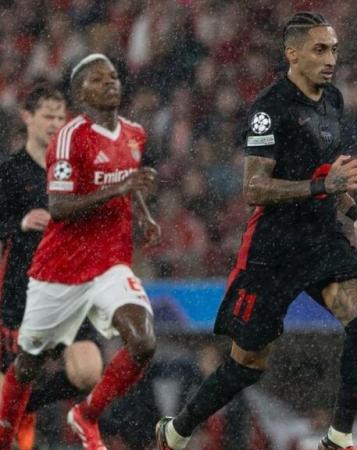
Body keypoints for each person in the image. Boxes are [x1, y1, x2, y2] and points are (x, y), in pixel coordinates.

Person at [156, 11, 357, 450]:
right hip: (272, 247)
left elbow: (330, 173)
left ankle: (339, 437)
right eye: (319, 49)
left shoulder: (333, 100)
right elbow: (253, 189)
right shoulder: (269, 109)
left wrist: (354, 215)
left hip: (321, 236)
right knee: (247, 364)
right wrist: (322, 185)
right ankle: (176, 431)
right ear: (292, 54)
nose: (330, 58)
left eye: (333, 49)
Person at [0, 53, 161, 450]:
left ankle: (86, 415)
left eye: (113, 76)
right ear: (80, 92)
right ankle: (6, 432)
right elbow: (59, 208)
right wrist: (120, 190)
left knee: (141, 342)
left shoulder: (135, 133)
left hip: (109, 264)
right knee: (27, 364)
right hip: (54, 272)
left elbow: (129, 181)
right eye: (98, 78)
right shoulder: (67, 140)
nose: (111, 82)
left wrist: (142, 213)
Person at [0, 84, 104, 450]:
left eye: (61, 117)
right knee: (9, 394)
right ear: (27, 118)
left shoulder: (74, 171)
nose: (55, 123)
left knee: (89, 371)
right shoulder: (10, 172)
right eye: (47, 115)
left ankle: (19, 406)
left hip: (69, 287)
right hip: (21, 291)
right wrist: (21, 223)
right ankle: (14, 411)